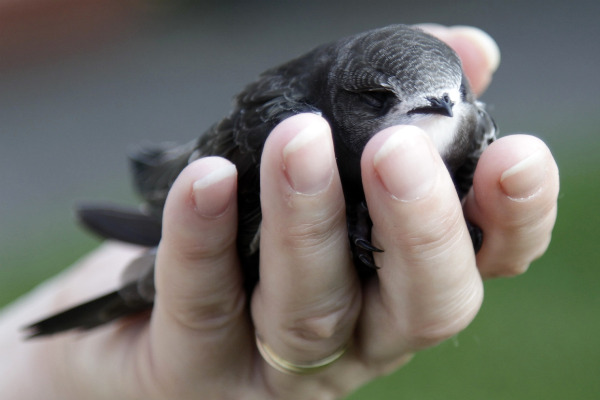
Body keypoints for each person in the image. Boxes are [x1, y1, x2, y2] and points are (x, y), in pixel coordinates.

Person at [0, 24, 559, 399]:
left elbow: (450, 114)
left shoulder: (468, 123)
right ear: (350, 99)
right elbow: (224, 206)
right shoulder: (287, 120)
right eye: (387, 102)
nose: (439, 111)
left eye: (451, 98)